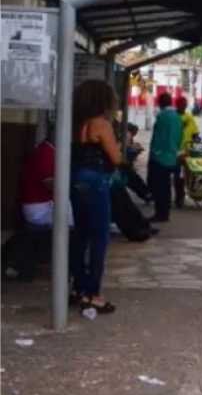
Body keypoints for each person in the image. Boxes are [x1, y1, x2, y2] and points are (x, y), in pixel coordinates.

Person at [70, 80, 121, 314]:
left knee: (80, 236)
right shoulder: (101, 124)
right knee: (100, 238)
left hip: (75, 179)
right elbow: (116, 158)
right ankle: (94, 294)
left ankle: (78, 288)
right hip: (95, 181)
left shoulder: (74, 122)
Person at [2, 132, 74, 281]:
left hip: (42, 203)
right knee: (72, 224)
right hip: (38, 207)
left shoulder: (48, 150)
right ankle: (65, 268)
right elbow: (51, 184)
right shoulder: (46, 153)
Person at [147, 92, 182, 222]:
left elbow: (158, 138)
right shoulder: (176, 117)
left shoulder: (162, 116)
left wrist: (154, 153)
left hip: (160, 157)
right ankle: (164, 213)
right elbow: (178, 137)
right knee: (166, 187)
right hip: (172, 157)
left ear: (160, 103)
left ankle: (160, 213)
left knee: (159, 188)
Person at [172, 96, 200, 208]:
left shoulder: (189, 117)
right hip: (175, 152)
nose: (184, 106)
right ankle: (179, 197)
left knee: (192, 173)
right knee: (177, 175)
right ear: (177, 105)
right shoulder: (173, 117)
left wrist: (197, 138)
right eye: (181, 104)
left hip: (188, 151)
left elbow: (195, 133)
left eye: (185, 104)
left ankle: (192, 192)